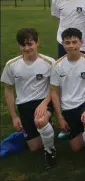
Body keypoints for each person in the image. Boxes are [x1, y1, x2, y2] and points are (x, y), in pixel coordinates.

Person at [50, 28, 85, 171]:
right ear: (62, 44)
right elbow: (54, 93)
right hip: (68, 107)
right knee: (76, 147)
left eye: (74, 42)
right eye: (67, 42)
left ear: (81, 42)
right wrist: (60, 117)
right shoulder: (57, 66)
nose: (71, 46)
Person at [1, 28, 56, 169]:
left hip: (44, 101)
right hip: (24, 105)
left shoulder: (49, 62)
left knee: (40, 120)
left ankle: (50, 152)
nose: (27, 48)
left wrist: (44, 104)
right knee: (34, 147)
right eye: (23, 45)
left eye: (30, 44)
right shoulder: (11, 65)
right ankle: (45, 130)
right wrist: (14, 117)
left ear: (37, 43)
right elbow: (8, 90)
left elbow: (55, 88)